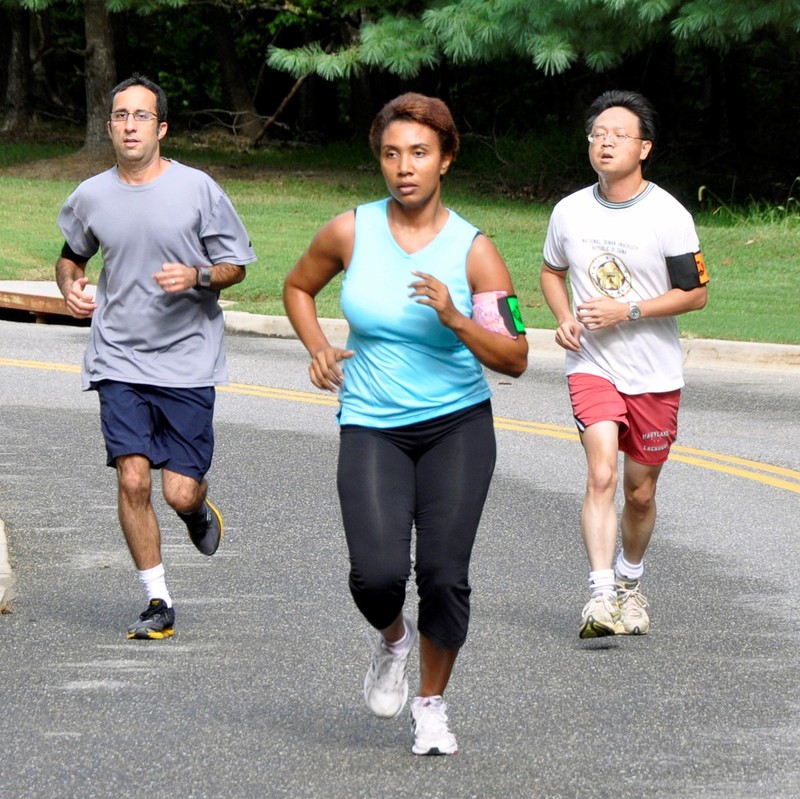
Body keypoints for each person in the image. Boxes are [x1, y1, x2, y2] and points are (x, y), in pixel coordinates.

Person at [283, 93, 528, 755]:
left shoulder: (475, 250)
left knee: (445, 574)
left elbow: (515, 357)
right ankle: (392, 639)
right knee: (376, 575)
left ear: (445, 159)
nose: (404, 167)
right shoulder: (349, 230)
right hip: (370, 422)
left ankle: (431, 703)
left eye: (419, 152)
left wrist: (456, 317)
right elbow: (297, 287)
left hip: (457, 426)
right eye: (391, 154)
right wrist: (318, 347)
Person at [55, 74, 256, 640]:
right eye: (120, 116)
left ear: (161, 128)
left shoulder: (198, 190)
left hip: (188, 360)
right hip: (118, 357)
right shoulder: (92, 195)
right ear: (110, 125)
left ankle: (195, 509)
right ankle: (157, 600)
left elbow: (235, 266)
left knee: (177, 490)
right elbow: (71, 255)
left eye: (141, 116)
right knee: (134, 480)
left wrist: (196, 275)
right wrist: (71, 285)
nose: (129, 125)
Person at [540, 89, 709, 640]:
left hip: (655, 374)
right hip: (593, 363)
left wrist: (627, 309)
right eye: (597, 133)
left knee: (640, 491)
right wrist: (565, 316)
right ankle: (601, 596)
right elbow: (550, 271)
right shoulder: (568, 210)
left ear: (645, 147)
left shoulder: (669, 215)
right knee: (602, 474)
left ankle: (632, 584)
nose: (605, 141)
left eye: (619, 134)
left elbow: (695, 293)